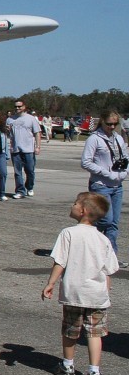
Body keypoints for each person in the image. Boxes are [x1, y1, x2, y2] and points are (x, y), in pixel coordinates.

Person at [41, 192, 118, 375]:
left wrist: (51, 283)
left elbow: (60, 262)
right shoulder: (103, 239)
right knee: (95, 334)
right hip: (97, 295)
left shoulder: (68, 233)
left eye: (75, 203)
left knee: (70, 330)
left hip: (74, 293)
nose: (72, 205)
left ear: (83, 211)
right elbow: (107, 270)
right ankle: (94, 371)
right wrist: (106, 291)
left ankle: (68, 365)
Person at [81, 110, 128, 266]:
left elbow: (125, 157)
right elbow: (86, 162)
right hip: (101, 185)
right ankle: (87, 242)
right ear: (102, 122)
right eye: (109, 124)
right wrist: (106, 173)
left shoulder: (118, 138)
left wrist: (124, 172)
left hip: (117, 185)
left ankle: (111, 257)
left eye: (115, 124)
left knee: (114, 223)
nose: (112, 127)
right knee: (105, 220)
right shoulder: (94, 139)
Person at [7, 99, 41, 198]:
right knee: (17, 172)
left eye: (19, 106)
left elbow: (37, 133)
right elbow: (8, 134)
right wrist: (7, 131)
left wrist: (38, 147)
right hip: (15, 149)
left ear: (24, 107)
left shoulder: (31, 119)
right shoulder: (10, 119)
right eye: (16, 107)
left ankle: (29, 187)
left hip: (29, 149)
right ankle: (20, 190)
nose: (17, 108)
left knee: (30, 170)